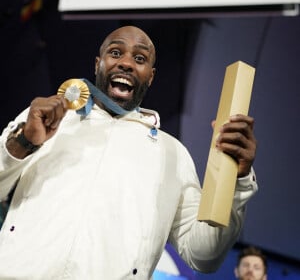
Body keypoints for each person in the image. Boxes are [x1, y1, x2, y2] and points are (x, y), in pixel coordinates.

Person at [0, 25, 258, 279]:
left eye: (139, 58)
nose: (126, 63)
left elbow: (203, 255)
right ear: (97, 64)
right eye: (115, 52)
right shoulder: (47, 120)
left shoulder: (173, 154)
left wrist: (235, 182)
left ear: (150, 76)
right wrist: (24, 142)